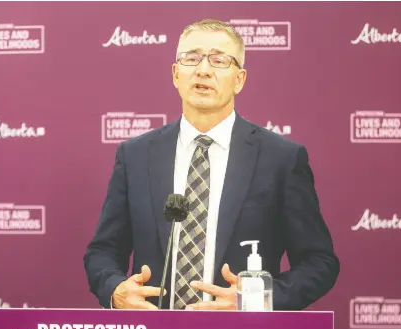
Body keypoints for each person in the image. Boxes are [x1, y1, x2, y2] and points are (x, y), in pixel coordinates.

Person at [84, 18, 339, 311]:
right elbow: (102, 251)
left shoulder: (280, 158)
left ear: (239, 79)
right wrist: (115, 290)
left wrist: (255, 301)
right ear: (176, 74)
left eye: (218, 60)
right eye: (191, 58)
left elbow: (319, 262)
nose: (203, 69)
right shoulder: (137, 154)